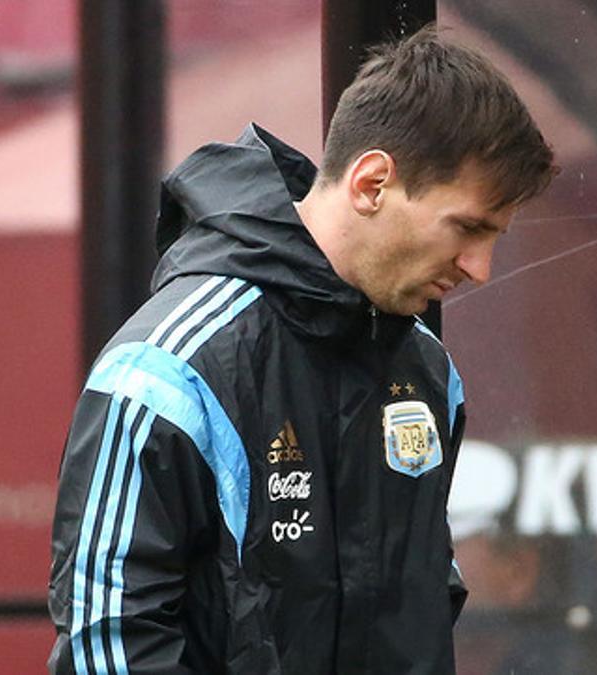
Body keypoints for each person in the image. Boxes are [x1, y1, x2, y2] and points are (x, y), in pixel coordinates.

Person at [47, 25, 556, 674]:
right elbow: (108, 647)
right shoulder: (167, 373)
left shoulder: (428, 373)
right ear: (371, 183)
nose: (480, 268)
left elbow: (420, 613)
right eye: (467, 228)